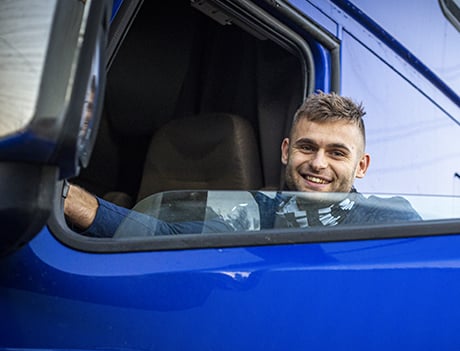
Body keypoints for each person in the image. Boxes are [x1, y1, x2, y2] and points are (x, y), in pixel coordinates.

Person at [64, 91, 421, 237]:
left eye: (337, 153)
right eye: (306, 147)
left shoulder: (390, 219)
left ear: (362, 166)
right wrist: (71, 200)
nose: (317, 163)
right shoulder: (256, 211)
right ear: (285, 151)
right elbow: (165, 236)